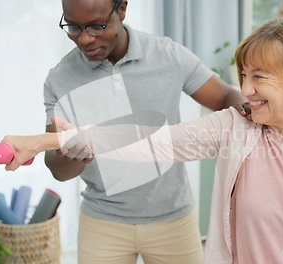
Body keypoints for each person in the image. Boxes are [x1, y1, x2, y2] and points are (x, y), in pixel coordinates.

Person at [2, 14, 283, 263]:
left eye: (259, 77)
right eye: (243, 75)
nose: (245, 89)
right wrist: (41, 141)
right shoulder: (234, 128)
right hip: (105, 214)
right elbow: (152, 142)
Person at [43, 0, 249, 263]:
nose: (84, 39)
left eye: (97, 26)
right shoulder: (60, 78)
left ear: (122, 9)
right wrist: (69, 156)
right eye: (73, 26)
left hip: (172, 218)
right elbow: (57, 169)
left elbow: (225, 97)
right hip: (102, 221)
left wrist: (248, 107)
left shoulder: (169, 55)